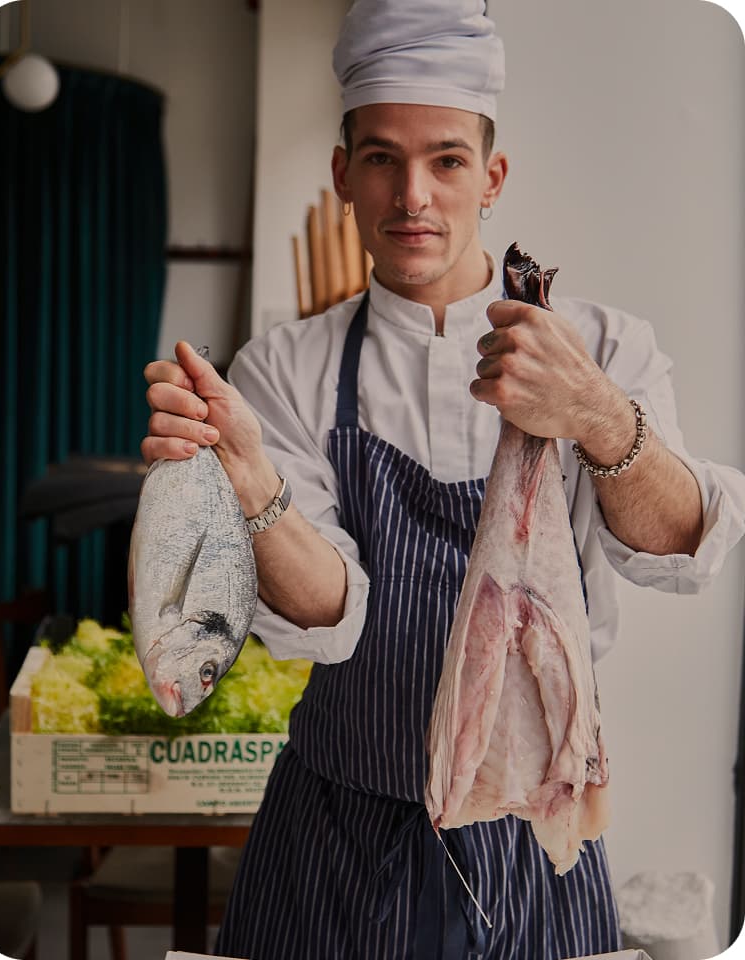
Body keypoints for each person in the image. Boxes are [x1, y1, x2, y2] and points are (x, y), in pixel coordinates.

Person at [141, 2, 745, 957]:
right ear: (343, 174)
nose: (412, 194)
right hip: (333, 841)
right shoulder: (286, 370)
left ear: (492, 176)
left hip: (534, 836)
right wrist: (251, 486)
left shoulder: (605, 348)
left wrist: (595, 414)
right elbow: (327, 616)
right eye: (381, 157)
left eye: (447, 160)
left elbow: (679, 546)